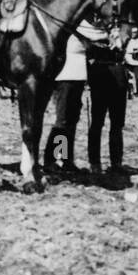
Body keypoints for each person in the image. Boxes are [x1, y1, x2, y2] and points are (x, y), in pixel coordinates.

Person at [45, 19, 108, 173]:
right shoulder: (78, 22)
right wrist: (110, 31)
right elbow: (97, 34)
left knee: (71, 121)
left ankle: (66, 159)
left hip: (77, 78)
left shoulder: (81, 23)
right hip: (66, 77)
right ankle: (52, 159)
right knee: (62, 120)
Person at [88, 23, 130, 175]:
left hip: (119, 76)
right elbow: (90, 52)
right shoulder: (95, 31)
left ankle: (116, 162)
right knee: (97, 123)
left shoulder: (122, 30)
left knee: (117, 124)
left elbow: (126, 40)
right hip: (100, 76)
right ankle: (94, 162)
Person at [123, 25, 138, 99]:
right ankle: (128, 91)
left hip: (136, 61)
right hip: (127, 60)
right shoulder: (126, 40)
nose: (134, 34)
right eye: (133, 33)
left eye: (135, 33)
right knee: (126, 77)